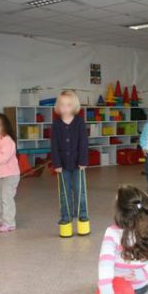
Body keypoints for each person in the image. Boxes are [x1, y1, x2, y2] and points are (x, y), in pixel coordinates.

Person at [98, 185, 148, 294]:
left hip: (120, 283)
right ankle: (140, 289)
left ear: (120, 212)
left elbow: (105, 262)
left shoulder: (111, 232)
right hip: (135, 283)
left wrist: (105, 287)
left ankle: (137, 291)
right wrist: (142, 274)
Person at [51, 90, 90, 238]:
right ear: (58, 107)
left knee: (80, 191)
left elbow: (83, 143)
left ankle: (83, 216)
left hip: (78, 164)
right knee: (64, 192)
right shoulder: (56, 124)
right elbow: (54, 145)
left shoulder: (79, 122)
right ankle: (66, 217)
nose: (65, 108)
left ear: (74, 106)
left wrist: (83, 161)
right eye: (62, 105)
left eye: (68, 105)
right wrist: (56, 163)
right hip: (62, 165)